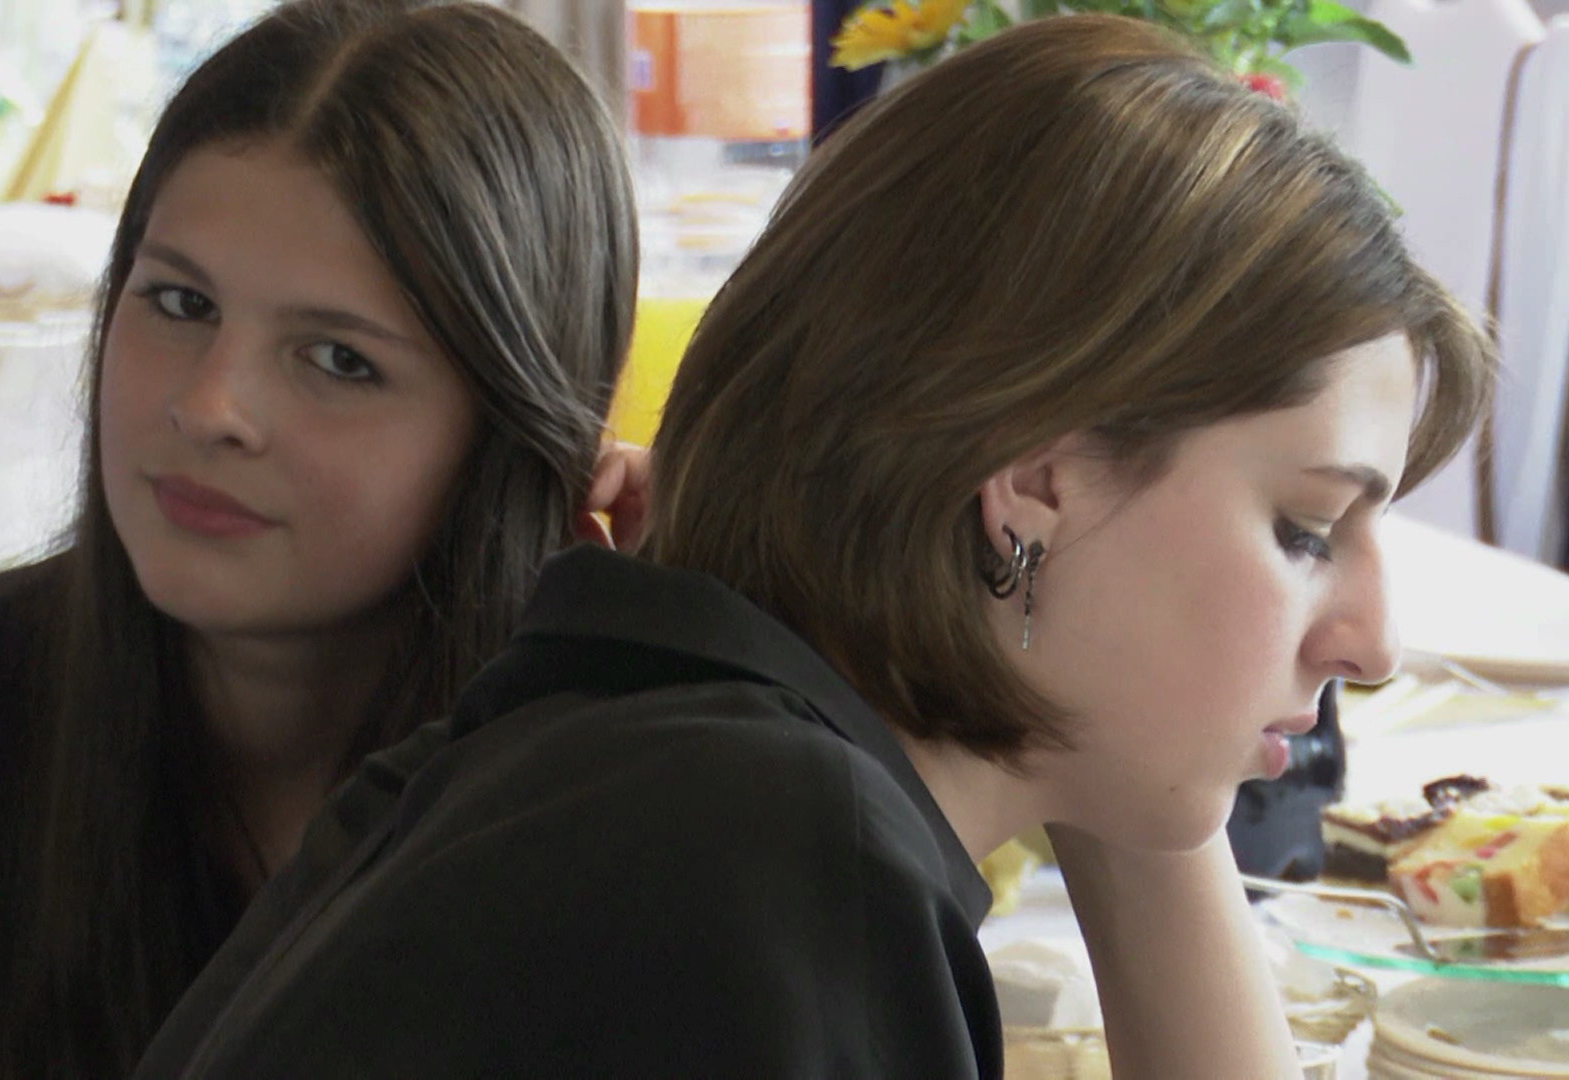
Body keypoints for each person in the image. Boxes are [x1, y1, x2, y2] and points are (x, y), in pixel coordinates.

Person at [134, 13, 1496, 1078]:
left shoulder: (642, 745)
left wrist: (1138, 759)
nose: (1371, 641)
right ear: (1036, 481)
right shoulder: (779, 860)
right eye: (1305, 530)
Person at [0, 2, 641, 1076]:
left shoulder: (635, 812)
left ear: (519, 434)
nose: (208, 408)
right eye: (181, 301)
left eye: (339, 360)